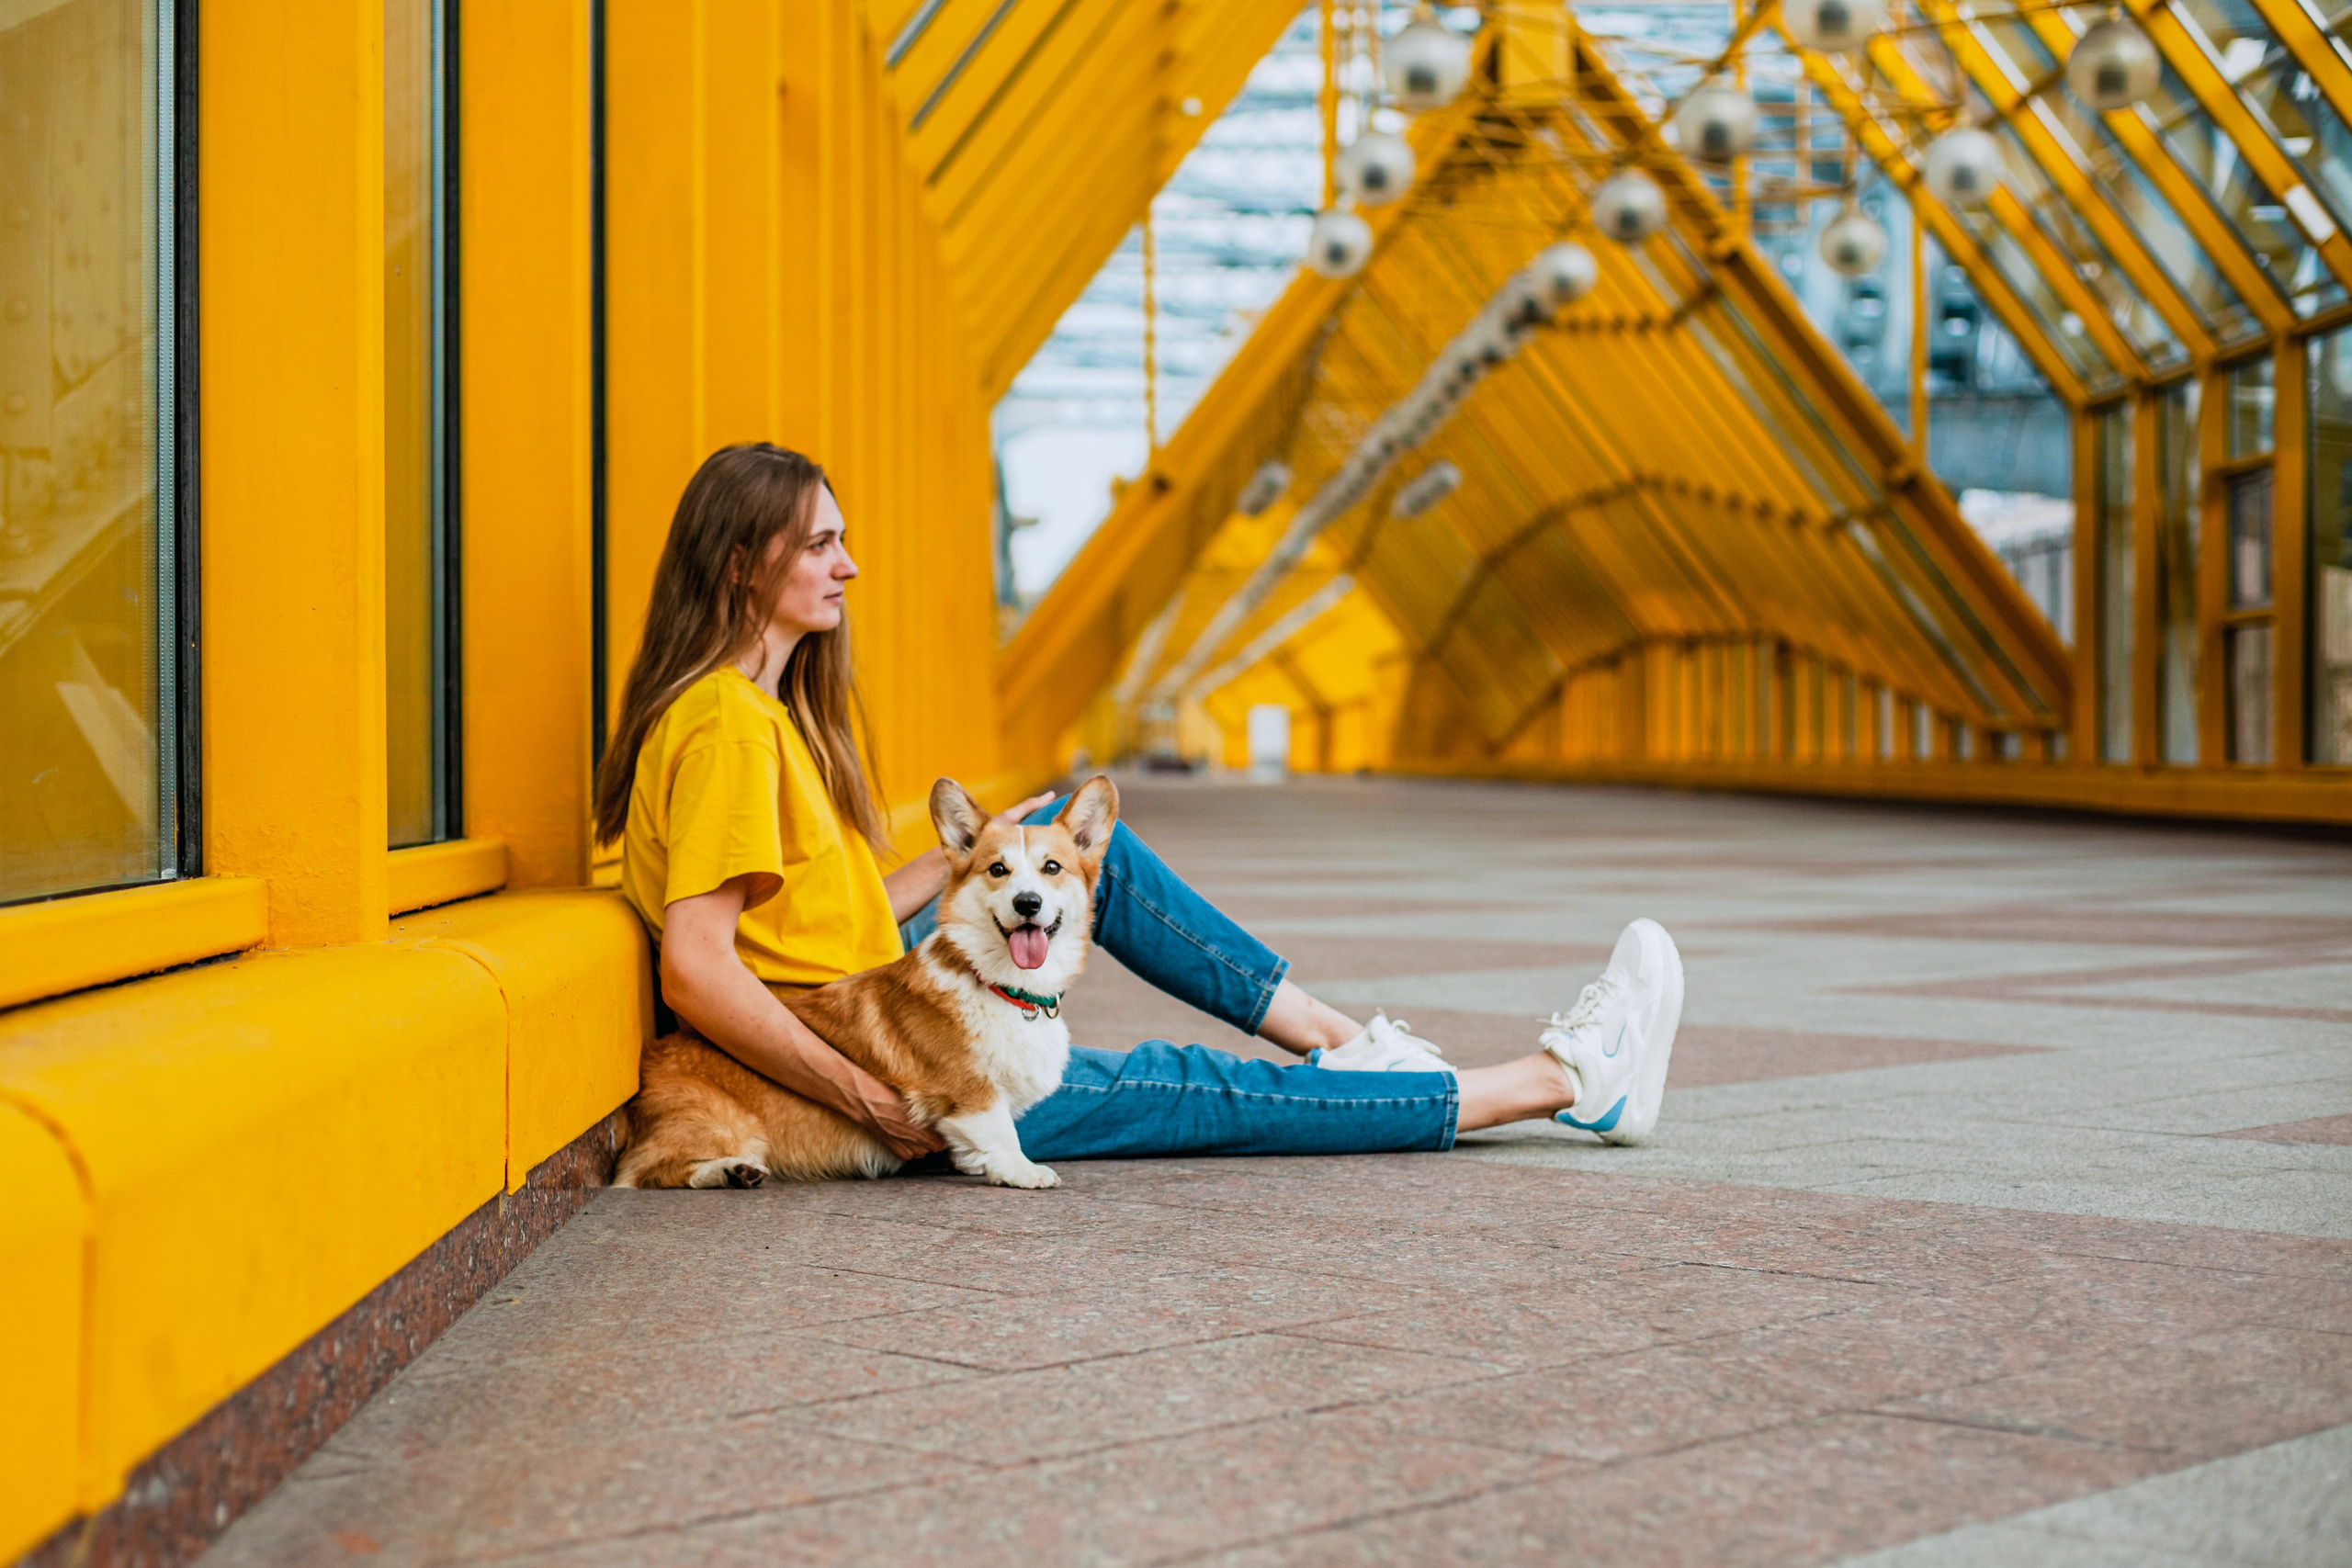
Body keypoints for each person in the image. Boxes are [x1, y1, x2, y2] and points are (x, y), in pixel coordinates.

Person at [594, 444, 1681, 1168]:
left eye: (842, 539)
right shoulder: (728, 724)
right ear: (741, 565)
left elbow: (806, 925)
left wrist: (984, 857)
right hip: (886, 1050)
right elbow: (698, 965)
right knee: (1184, 1087)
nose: (851, 565)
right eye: (820, 544)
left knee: (1076, 852)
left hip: (877, 989)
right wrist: (863, 1097)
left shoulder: (762, 715)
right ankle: (1556, 1083)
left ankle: (1344, 1041)